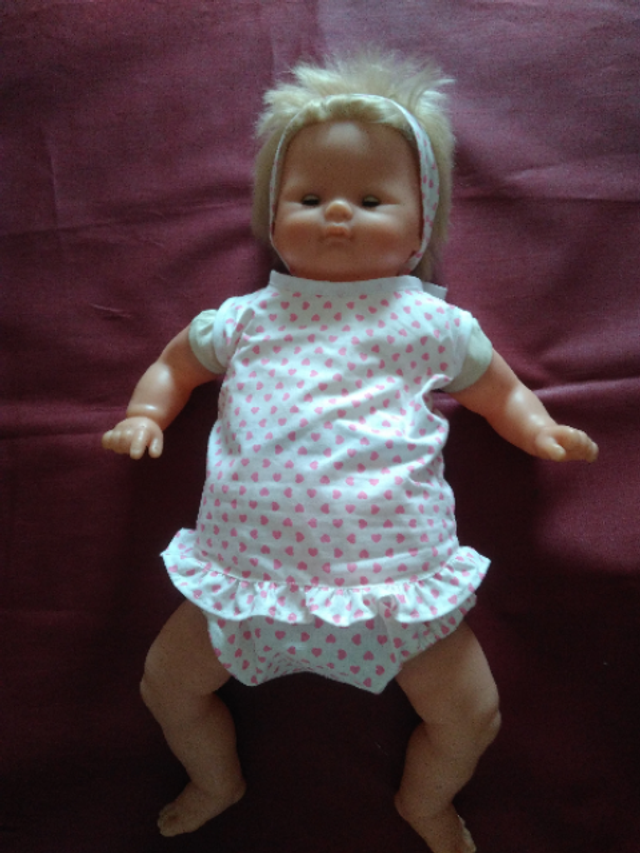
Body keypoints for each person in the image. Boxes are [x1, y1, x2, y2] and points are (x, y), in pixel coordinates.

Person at [103, 52, 598, 853]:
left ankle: (424, 801)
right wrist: (143, 412)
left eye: (370, 200)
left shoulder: (431, 324)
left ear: (420, 227)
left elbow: (500, 392)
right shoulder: (247, 317)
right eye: (309, 198)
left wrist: (537, 429)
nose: (337, 213)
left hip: (396, 591)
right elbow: (174, 365)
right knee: (166, 685)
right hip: (243, 584)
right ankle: (216, 779)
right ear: (272, 220)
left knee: (472, 713)